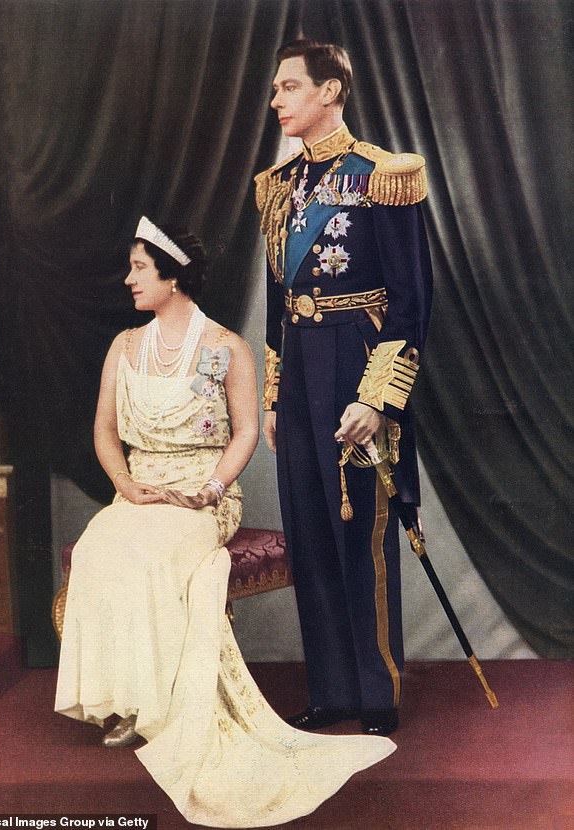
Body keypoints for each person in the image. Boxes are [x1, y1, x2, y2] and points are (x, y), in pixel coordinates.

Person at [55, 217, 396, 827]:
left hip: (203, 493)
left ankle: (161, 707)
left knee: (156, 555)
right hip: (137, 490)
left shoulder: (226, 349)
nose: (129, 279)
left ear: (173, 274)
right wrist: (127, 485)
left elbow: (243, 434)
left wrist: (212, 487)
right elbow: (105, 433)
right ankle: (126, 703)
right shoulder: (124, 347)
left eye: (139, 267)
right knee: (102, 549)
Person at [255, 40, 433, 736]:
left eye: (289, 87)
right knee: (311, 533)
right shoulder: (278, 185)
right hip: (299, 370)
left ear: (331, 91)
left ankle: (376, 691)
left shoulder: (383, 176)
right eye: (276, 89)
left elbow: (412, 301)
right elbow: (278, 300)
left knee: (360, 530)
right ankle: (331, 690)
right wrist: (273, 394)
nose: (277, 100)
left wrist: (377, 397)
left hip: (355, 367)